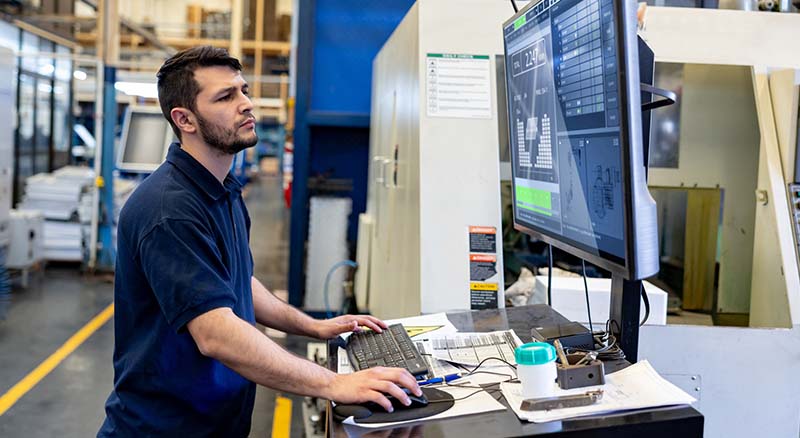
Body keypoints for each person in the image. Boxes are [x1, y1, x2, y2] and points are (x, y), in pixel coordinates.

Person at [98, 46, 420, 436]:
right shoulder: (170, 210)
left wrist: (314, 326)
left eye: (243, 90)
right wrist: (333, 383)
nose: (246, 104)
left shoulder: (223, 189)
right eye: (225, 97)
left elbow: (237, 282)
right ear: (185, 119)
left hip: (216, 423)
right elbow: (216, 334)